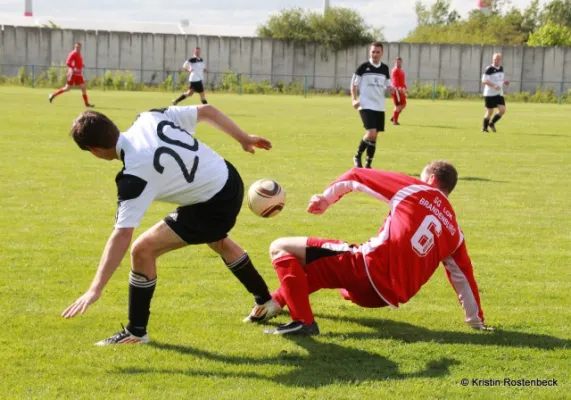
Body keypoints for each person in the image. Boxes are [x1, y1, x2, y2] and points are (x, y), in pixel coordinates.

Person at [61, 104, 282, 345]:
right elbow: (207, 110)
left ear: (94, 150)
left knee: (142, 250)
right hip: (228, 177)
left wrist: (95, 289)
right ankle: (265, 301)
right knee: (216, 238)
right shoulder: (148, 117)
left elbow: (122, 234)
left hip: (213, 203)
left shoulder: (133, 175)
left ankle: (136, 332)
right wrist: (244, 138)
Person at [253, 161, 493, 335]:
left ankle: (303, 323)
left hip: (366, 270)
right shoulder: (454, 231)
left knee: (280, 247)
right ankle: (273, 303)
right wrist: (476, 321)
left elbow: (357, 175)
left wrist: (325, 199)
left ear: (430, 180)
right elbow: (464, 277)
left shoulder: (419, 189)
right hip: (383, 297)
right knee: (319, 268)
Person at [350, 41, 394, 169]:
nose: (375, 54)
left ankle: (368, 164)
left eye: (377, 52)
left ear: (382, 53)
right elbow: (354, 84)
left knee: (375, 136)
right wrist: (354, 99)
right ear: (370, 52)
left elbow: (388, 84)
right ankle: (357, 156)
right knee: (371, 133)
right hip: (365, 104)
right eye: (373, 52)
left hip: (379, 106)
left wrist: (392, 89)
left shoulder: (384, 68)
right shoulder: (363, 67)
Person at [49, 42, 94, 107]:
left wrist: (82, 65)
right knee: (67, 88)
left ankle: (86, 103)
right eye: (77, 47)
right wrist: (73, 68)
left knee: (83, 88)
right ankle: (53, 95)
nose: (78, 48)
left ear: (80, 48)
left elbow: (78, 62)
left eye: (79, 47)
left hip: (78, 74)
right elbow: (68, 62)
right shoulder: (73, 53)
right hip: (73, 74)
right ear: (74, 47)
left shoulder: (79, 54)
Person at [481, 53, 510, 132]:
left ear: (500, 60)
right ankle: (484, 128)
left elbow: (499, 79)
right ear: (492, 59)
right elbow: (484, 81)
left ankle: (492, 123)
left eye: (498, 59)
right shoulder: (489, 69)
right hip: (489, 94)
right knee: (490, 112)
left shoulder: (501, 68)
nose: (496, 61)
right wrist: (494, 85)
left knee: (502, 110)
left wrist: (504, 82)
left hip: (498, 94)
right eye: (495, 59)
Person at [390, 57, 408, 126]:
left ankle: (394, 117)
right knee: (399, 105)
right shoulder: (395, 70)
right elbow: (394, 82)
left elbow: (402, 82)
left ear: (402, 63)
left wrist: (405, 88)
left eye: (400, 62)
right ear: (395, 62)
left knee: (403, 104)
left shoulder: (401, 71)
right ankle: (395, 121)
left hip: (401, 90)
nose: (398, 63)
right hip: (397, 90)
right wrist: (399, 88)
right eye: (397, 62)